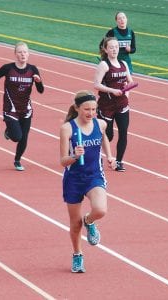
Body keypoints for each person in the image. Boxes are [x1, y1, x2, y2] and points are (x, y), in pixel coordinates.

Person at [60, 90, 115, 273]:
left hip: (94, 175)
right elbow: (62, 161)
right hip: (74, 179)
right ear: (77, 108)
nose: (90, 113)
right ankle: (77, 255)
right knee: (75, 224)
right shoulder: (67, 128)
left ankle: (89, 221)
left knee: (100, 209)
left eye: (93, 109)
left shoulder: (100, 124)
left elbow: (104, 137)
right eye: (86, 109)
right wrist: (74, 156)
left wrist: (109, 156)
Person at [0, 41, 44, 171]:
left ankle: (17, 160)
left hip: (26, 109)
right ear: (15, 54)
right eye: (20, 52)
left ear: (28, 54)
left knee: (24, 137)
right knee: (16, 136)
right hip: (10, 108)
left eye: (25, 52)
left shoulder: (33, 70)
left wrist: (38, 82)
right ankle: (9, 132)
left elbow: (41, 90)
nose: (23, 54)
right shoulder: (8, 68)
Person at [94, 37, 134, 172]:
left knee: (123, 133)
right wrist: (112, 90)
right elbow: (96, 84)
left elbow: (130, 82)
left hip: (122, 105)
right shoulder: (104, 65)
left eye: (116, 47)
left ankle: (119, 161)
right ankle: (93, 155)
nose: (114, 49)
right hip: (106, 106)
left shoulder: (124, 63)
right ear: (105, 49)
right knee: (108, 135)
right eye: (111, 47)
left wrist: (126, 93)